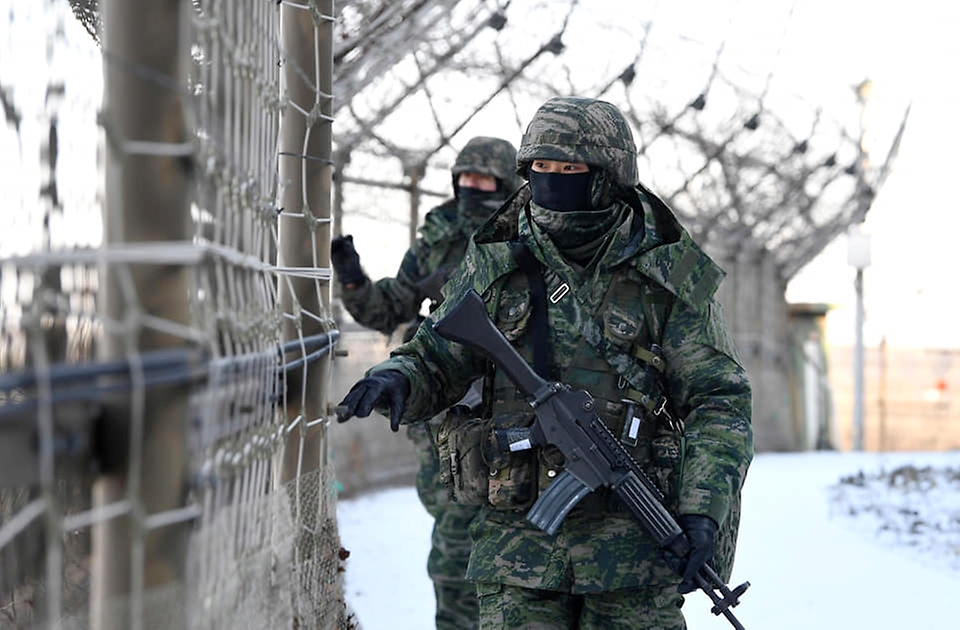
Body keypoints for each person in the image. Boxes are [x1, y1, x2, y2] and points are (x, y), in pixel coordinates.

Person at [336, 96, 753, 629]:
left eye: (570, 169)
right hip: (518, 552)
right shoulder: (498, 256)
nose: (553, 180)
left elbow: (719, 401)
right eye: (540, 168)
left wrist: (702, 510)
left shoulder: (669, 273)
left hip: (633, 554)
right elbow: (438, 355)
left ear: (609, 176)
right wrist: (398, 377)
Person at [330, 136, 520, 630]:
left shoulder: (531, 233)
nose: (472, 188)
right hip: (444, 412)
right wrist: (353, 280)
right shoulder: (439, 236)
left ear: (506, 183)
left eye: (484, 180)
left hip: (517, 407)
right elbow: (387, 308)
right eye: (465, 178)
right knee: (455, 538)